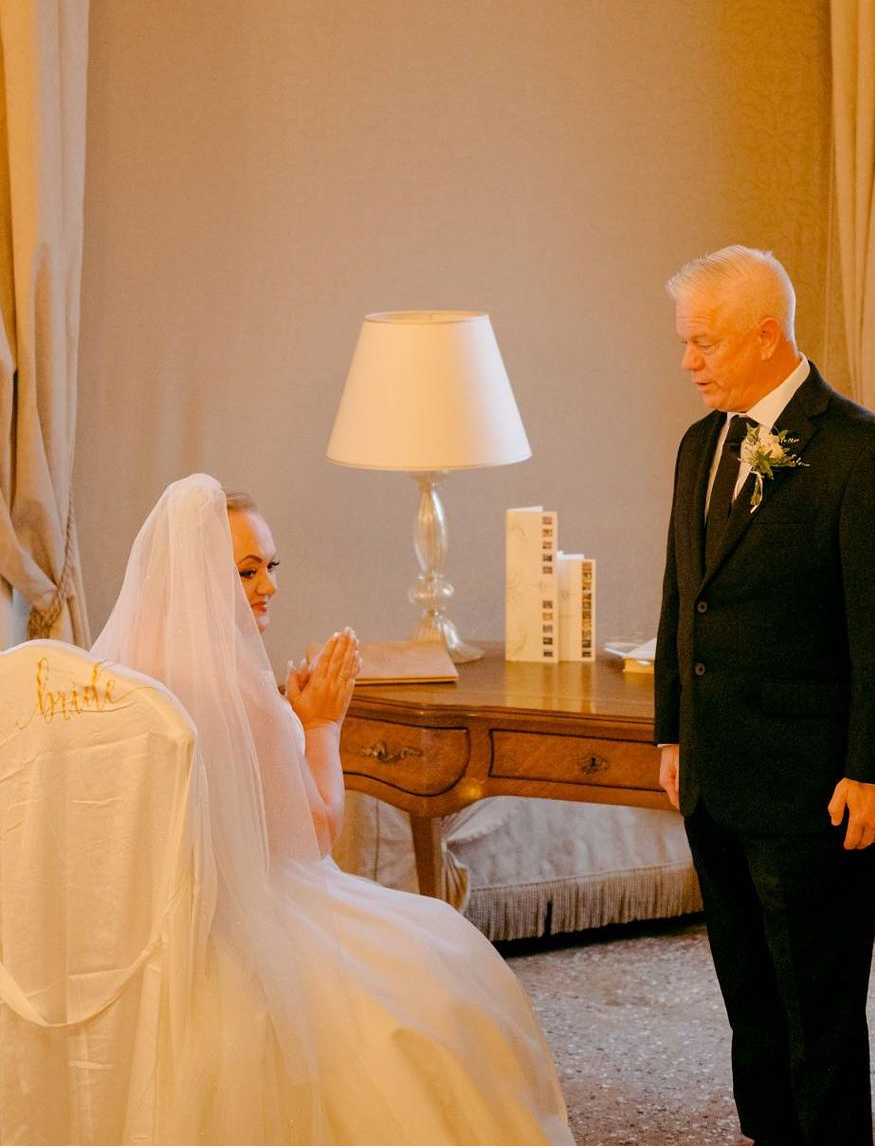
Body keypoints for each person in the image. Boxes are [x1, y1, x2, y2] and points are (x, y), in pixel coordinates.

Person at [91, 474, 574, 1146]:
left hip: (144, 921)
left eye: (271, 566)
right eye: (247, 570)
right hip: (249, 913)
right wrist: (319, 725)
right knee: (442, 959)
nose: (270, 586)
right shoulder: (235, 688)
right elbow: (316, 836)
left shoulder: (117, 674)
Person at [653, 246, 875, 1146]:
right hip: (716, 778)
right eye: (686, 343)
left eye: (705, 342)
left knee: (817, 1017)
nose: (688, 361)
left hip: (816, 792)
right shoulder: (702, 443)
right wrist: (672, 735)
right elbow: (680, 598)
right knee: (751, 1007)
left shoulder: (866, 454)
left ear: (766, 334)